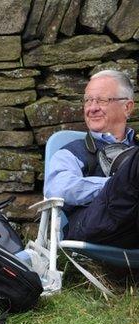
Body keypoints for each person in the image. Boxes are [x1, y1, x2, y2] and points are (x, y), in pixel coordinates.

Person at [45, 69, 139, 248]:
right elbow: (58, 189)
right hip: (95, 225)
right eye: (88, 100)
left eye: (102, 100)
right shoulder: (72, 151)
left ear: (127, 107)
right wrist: (114, 185)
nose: (92, 108)